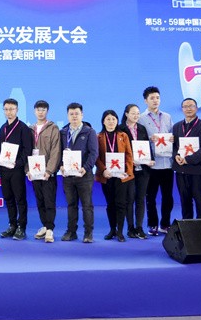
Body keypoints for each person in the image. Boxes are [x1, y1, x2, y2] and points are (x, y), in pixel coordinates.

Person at [0, 98, 34, 240]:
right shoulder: (3, 128)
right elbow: (0, 149)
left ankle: (21, 227)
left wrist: (18, 163)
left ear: (17, 110)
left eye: (11, 109)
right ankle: (12, 225)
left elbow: (27, 150)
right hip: (4, 169)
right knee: (8, 198)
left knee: (20, 199)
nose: (9, 112)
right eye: (6, 109)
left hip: (17, 169)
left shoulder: (23, 128)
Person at [60, 102, 98, 243]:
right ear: (67, 116)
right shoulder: (63, 132)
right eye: (71, 114)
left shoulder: (89, 132)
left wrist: (86, 168)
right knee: (71, 205)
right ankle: (71, 232)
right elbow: (59, 152)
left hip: (84, 175)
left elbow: (94, 153)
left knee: (87, 206)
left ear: (82, 115)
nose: (74, 116)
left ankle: (88, 233)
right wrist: (60, 166)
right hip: (68, 176)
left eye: (77, 113)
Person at [138, 86, 174, 236]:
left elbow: (172, 134)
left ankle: (165, 224)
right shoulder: (140, 118)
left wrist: (172, 139)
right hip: (151, 165)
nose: (155, 100)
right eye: (152, 98)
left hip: (167, 163)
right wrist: (149, 139)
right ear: (145, 101)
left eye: (157, 98)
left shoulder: (167, 116)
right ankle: (152, 224)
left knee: (168, 197)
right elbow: (138, 140)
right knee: (150, 197)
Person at [95, 110, 135, 242]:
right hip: (106, 176)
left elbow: (129, 155)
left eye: (113, 119)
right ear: (103, 121)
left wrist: (127, 171)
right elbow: (96, 157)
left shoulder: (123, 135)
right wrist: (103, 170)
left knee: (121, 204)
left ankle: (120, 231)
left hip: (121, 176)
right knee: (110, 204)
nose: (111, 121)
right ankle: (112, 229)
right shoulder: (98, 137)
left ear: (117, 121)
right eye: (108, 119)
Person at [172, 98, 201, 220]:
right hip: (181, 170)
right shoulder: (177, 126)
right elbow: (174, 146)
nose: (188, 109)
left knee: (200, 201)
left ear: (196, 108)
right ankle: (187, 227)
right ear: (182, 109)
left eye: (191, 106)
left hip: (198, 170)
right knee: (184, 201)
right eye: (185, 106)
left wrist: (189, 159)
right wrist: (176, 155)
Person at [30, 100, 61, 243]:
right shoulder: (30, 129)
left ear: (47, 111)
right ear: (34, 111)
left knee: (49, 201)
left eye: (43, 109)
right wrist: (28, 170)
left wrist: (49, 170)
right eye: (38, 109)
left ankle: (50, 229)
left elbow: (56, 151)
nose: (40, 112)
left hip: (48, 173)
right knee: (40, 201)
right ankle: (44, 226)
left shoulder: (53, 128)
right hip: (34, 171)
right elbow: (27, 150)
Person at [120, 104, 150, 239]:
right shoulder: (121, 129)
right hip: (128, 169)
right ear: (126, 114)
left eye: (138, 113)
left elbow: (147, 146)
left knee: (141, 198)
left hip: (143, 169)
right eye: (133, 113)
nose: (136, 115)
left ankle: (139, 227)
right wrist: (129, 161)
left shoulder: (142, 128)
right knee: (129, 198)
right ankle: (130, 228)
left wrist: (149, 160)